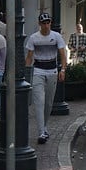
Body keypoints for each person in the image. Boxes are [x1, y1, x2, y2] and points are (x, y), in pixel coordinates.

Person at [25, 12, 68, 145]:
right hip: (38, 71)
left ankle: (44, 126)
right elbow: (29, 57)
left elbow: (62, 54)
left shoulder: (56, 37)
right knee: (40, 101)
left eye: (48, 22)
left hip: (52, 71)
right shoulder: (33, 38)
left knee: (48, 103)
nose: (46, 25)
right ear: (39, 24)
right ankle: (41, 132)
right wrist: (27, 73)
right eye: (43, 23)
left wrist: (63, 70)